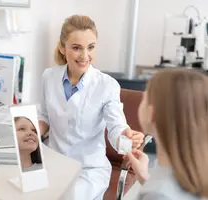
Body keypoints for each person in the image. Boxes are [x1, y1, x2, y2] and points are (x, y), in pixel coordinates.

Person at [38, 15, 144, 200]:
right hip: (52, 162)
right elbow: (44, 116)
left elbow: (116, 127)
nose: (85, 56)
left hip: (87, 169)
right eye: (76, 48)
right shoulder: (49, 76)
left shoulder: (107, 85)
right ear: (63, 48)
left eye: (91, 47)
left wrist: (126, 136)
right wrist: (30, 130)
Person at [126, 68, 208, 199]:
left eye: (144, 98)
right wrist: (145, 178)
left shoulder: (157, 194)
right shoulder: (196, 174)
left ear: (152, 114)